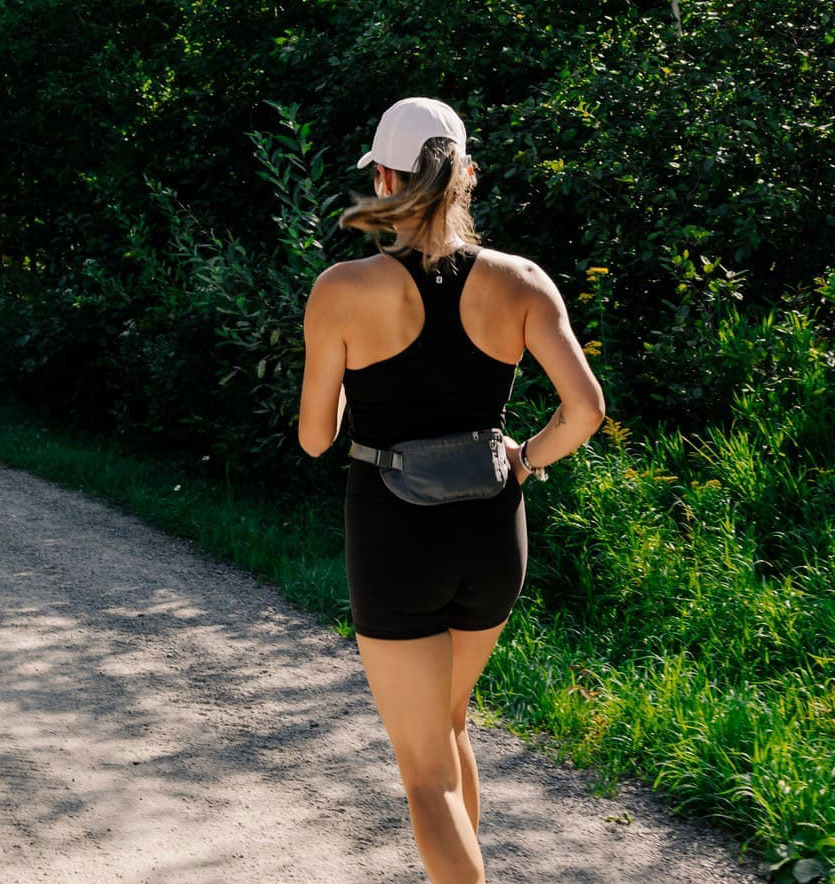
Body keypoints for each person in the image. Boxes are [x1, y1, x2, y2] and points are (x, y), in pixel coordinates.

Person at [296, 97, 606, 884]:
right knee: (451, 722)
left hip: (395, 539)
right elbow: (586, 411)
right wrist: (526, 459)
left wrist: (348, 370)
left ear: (384, 175)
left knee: (423, 778)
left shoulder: (341, 287)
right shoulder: (521, 280)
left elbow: (313, 436)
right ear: (464, 176)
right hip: (493, 534)